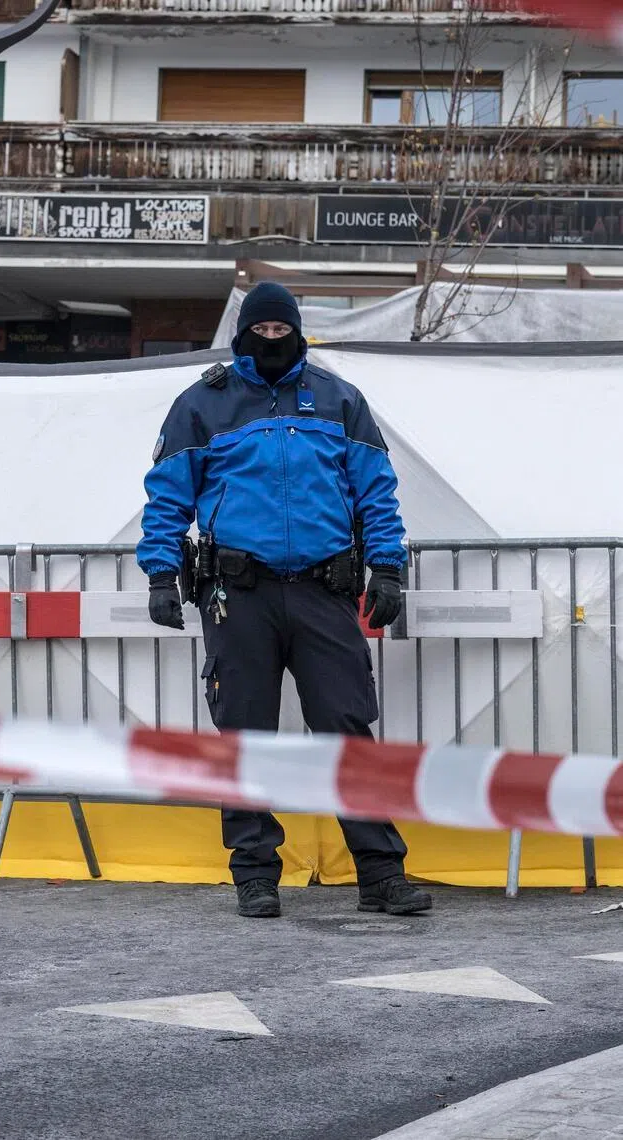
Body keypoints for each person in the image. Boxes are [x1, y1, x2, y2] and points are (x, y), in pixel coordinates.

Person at [137, 282, 432, 921]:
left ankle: (381, 876)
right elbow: (166, 498)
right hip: (237, 595)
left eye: (281, 330)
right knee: (244, 735)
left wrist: (387, 567)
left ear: (297, 332)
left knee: (347, 727)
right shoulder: (203, 404)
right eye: (261, 330)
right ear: (242, 333)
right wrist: (161, 573)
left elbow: (376, 492)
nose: (272, 339)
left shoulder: (338, 401)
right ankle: (255, 875)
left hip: (325, 591)